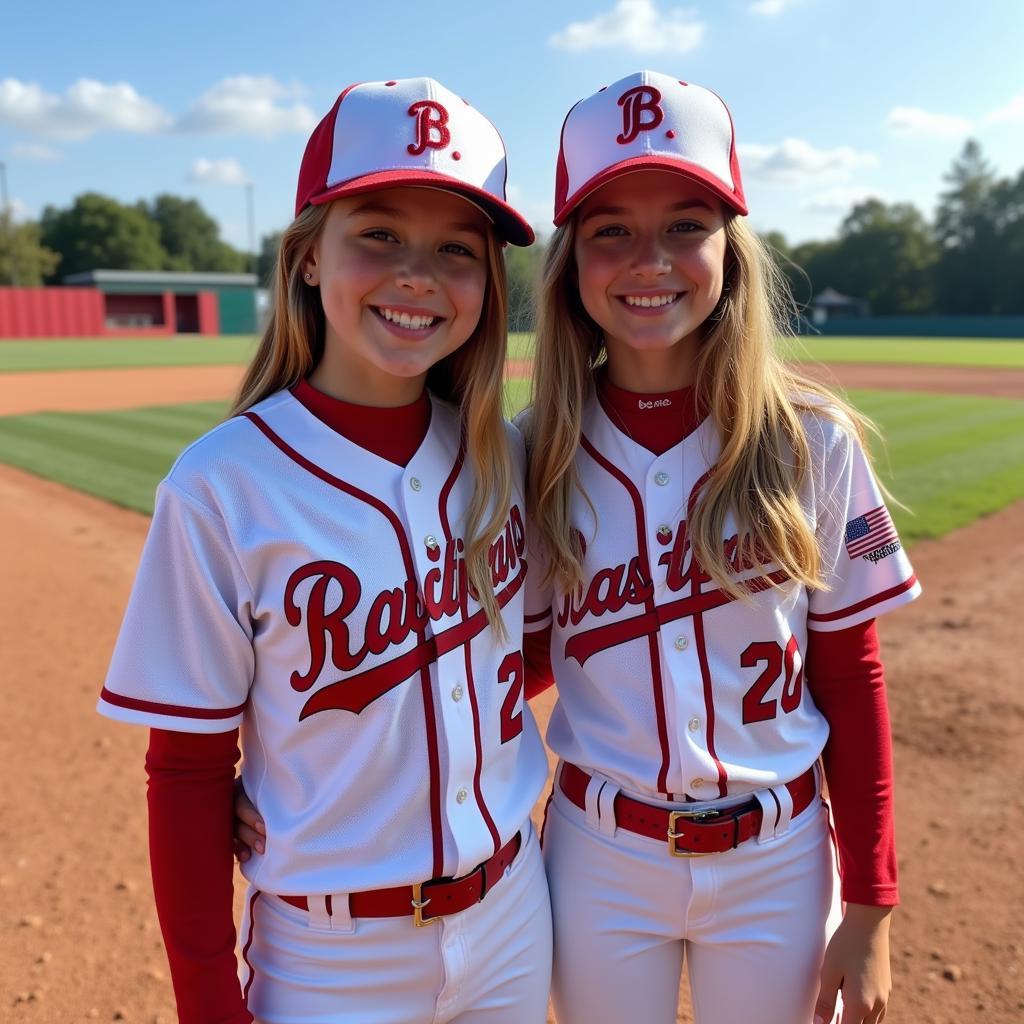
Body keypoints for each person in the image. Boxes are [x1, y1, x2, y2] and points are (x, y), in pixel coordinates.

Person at [98, 76, 552, 1024]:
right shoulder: (224, 485)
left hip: (515, 912)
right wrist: (207, 1003)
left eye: (456, 250)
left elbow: (520, 653)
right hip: (329, 957)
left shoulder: (499, 453)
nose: (416, 274)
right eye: (379, 233)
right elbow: (183, 768)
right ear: (308, 259)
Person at [521, 71, 919, 1024]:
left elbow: (851, 675)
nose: (648, 258)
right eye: (611, 228)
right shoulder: (531, 453)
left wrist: (871, 907)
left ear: (730, 253)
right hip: (599, 854)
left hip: (778, 856)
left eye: (686, 224)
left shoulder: (810, 442)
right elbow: (501, 667)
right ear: (571, 261)